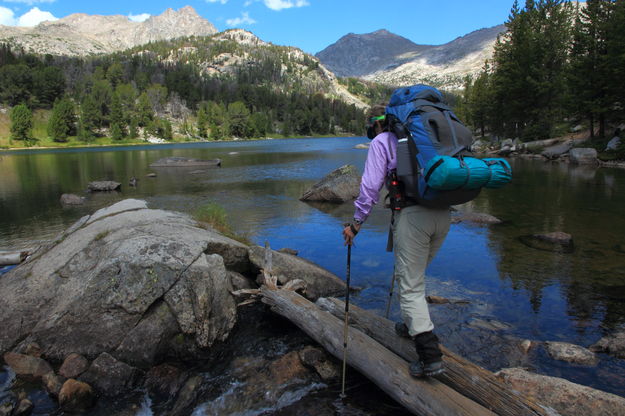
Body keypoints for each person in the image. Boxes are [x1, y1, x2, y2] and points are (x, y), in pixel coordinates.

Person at [342, 104, 451, 377]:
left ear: (379, 123)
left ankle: (430, 357)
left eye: (371, 124)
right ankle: (410, 323)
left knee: (409, 286)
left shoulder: (383, 141)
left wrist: (356, 225)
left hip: (414, 218)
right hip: (443, 214)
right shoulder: (425, 137)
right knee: (415, 275)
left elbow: (370, 187)